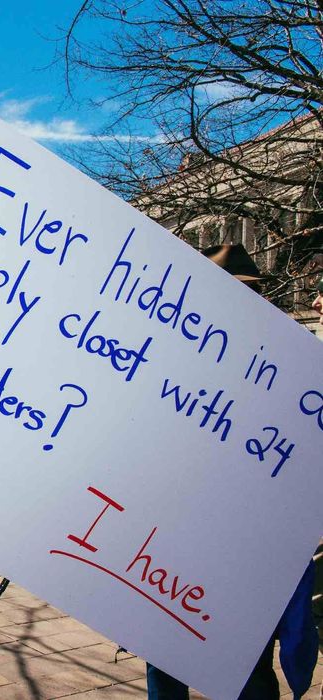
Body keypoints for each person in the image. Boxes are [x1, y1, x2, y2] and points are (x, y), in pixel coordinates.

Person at [145, 244, 319, 699]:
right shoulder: (167, 360)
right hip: (170, 551)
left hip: (248, 553)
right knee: (167, 662)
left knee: (248, 671)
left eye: (251, 294)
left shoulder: (290, 366)